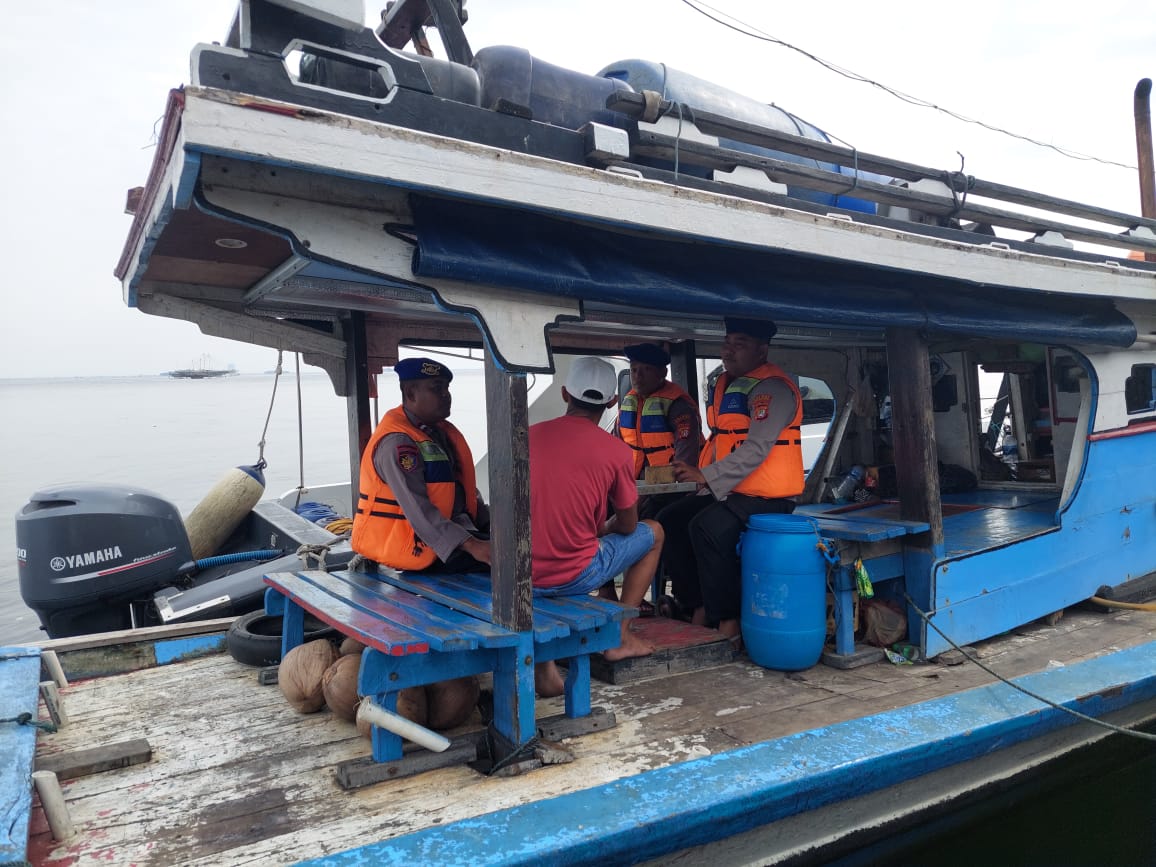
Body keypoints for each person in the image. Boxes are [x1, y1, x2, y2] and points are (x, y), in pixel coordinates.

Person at [657, 317, 805, 646]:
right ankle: (694, 605)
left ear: (762, 350)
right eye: (727, 343)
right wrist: (701, 478)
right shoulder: (726, 384)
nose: (728, 351)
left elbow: (756, 449)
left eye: (740, 344)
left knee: (707, 529)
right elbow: (721, 439)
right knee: (670, 519)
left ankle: (728, 620)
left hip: (769, 498)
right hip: (732, 490)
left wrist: (706, 476)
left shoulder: (773, 389)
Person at [529, 356, 665, 696]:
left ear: (564, 394)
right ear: (612, 401)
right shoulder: (617, 451)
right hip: (574, 574)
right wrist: (602, 529)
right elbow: (629, 523)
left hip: (520, 576)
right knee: (656, 532)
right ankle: (619, 636)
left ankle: (545, 668)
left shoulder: (526, 436)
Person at [351, 357, 491, 572]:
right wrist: (474, 546)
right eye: (437, 388)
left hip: (455, 534)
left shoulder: (436, 433)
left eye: (447, 388)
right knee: (515, 560)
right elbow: (419, 510)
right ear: (410, 394)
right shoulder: (398, 443)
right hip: (420, 547)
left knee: (527, 542)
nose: (446, 395)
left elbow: (460, 492)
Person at [615, 342, 703, 519]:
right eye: (633, 370)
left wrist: (643, 489)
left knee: (656, 516)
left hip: (672, 487)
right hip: (637, 486)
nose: (638, 376)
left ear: (662, 373)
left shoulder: (678, 406)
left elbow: (685, 464)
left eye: (646, 369)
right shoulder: (628, 405)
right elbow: (613, 450)